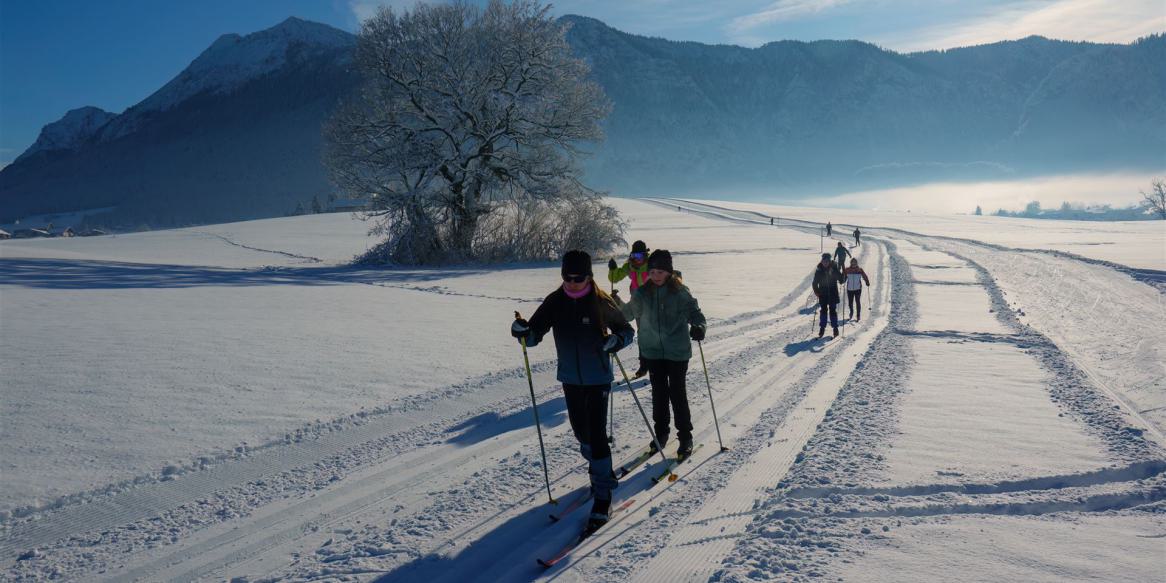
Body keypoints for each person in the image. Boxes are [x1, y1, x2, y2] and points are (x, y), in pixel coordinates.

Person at [511, 250, 635, 532]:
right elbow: (534, 335)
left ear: (590, 276)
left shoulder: (601, 301)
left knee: (597, 433)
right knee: (582, 434)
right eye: (568, 277)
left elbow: (627, 331)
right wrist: (521, 332)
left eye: (579, 278)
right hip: (570, 377)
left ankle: (603, 493)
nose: (573, 282)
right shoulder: (555, 301)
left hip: (598, 378)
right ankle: (600, 471)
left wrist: (616, 341)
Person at [613, 250, 706, 460]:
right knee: (659, 395)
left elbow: (695, 313)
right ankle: (661, 434)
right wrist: (615, 303)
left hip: (677, 352)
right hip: (652, 352)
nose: (655, 276)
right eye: (652, 271)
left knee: (677, 394)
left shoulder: (680, 292)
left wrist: (699, 326)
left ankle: (685, 436)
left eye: (660, 272)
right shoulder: (642, 293)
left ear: (669, 272)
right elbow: (628, 314)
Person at [608, 240, 651, 376]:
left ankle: (658, 363)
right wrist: (613, 269)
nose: (636, 259)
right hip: (637, 302)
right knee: (643, 334)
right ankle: (644, 366)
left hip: (652, 302)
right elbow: (615, 278)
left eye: (639, 256)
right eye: (634, 256)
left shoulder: (651, 266)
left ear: (645, 255)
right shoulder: (629, 266)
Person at [812, 253, 845, 338]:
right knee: (823, 311)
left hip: (833, 293)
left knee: (833, 311)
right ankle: (822, 328)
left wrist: (844, 275)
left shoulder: (834, 269)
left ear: (829, 261)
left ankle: (835, 328)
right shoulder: (819, 270)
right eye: (824, 261)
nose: (825, 262)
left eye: (827, 261)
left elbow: (841, 280)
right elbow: (815, 282)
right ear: (822, 261)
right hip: (823, 294)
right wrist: (817, 291)